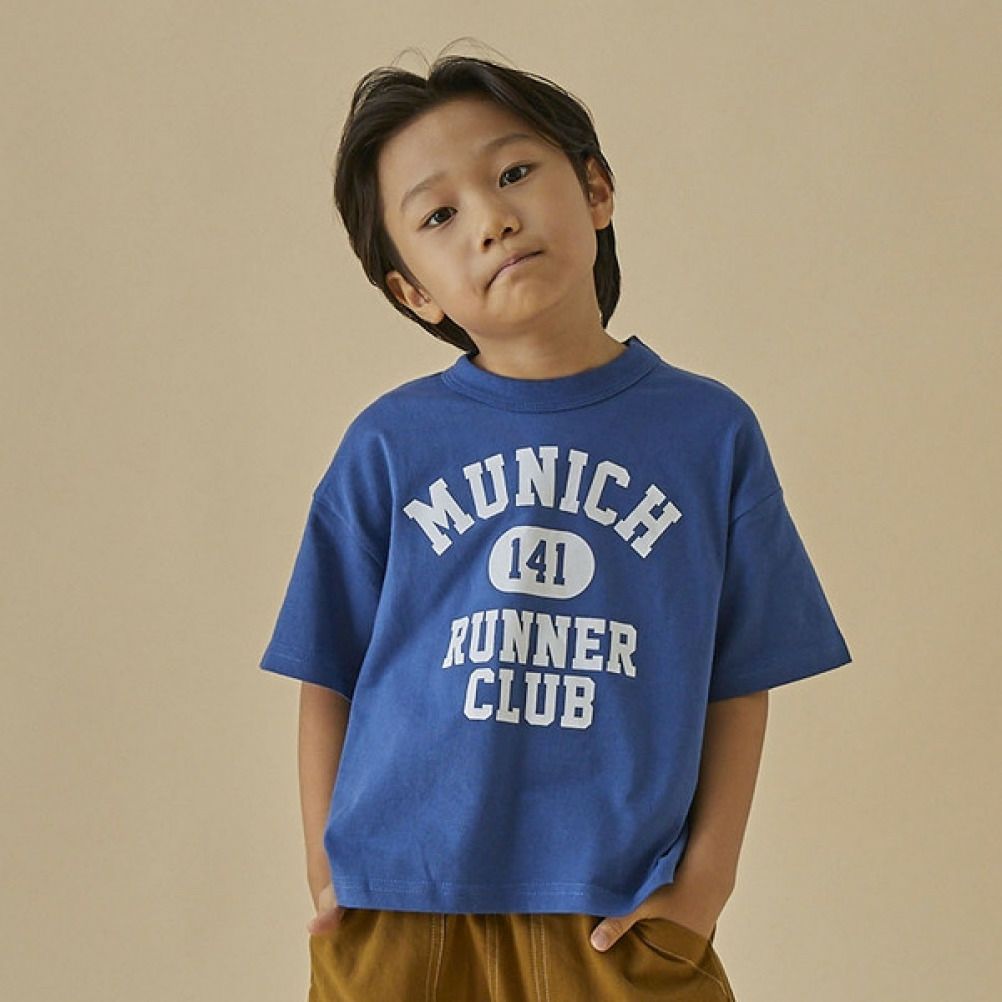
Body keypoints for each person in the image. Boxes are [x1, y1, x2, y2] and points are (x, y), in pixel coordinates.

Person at [259, 50, 853, 1002]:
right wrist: (327, 869)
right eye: (438, 215)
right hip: (401, 904)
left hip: (615, 909)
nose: (491, 219)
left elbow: (742, 677)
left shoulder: (708, 432)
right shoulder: (389, 443)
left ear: (596, 189)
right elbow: (326, 669)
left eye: (513, 173)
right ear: (413, 291)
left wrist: (705, 886)